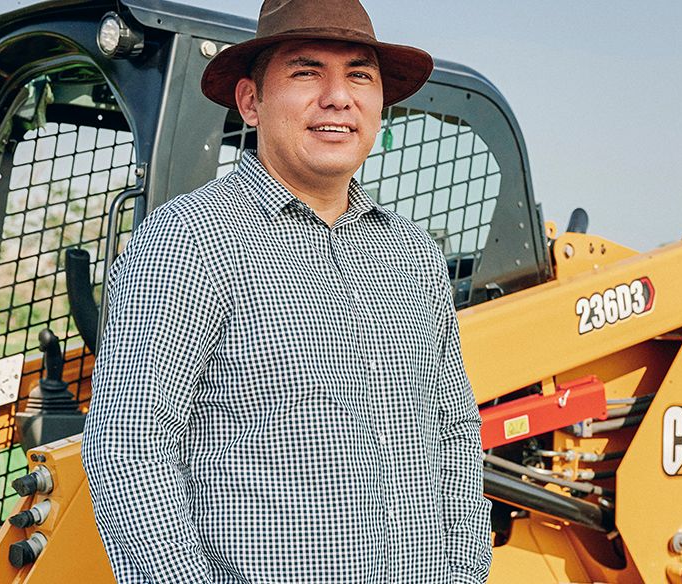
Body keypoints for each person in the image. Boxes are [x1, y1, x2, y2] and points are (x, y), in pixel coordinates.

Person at [81, 0, 491, 582]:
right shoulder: (190, 240)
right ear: (251, 101)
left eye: (359, 76)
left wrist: (465, 569)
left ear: (380, 103)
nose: (338, 97)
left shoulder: (413, 254)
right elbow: (129, 448)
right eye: (306, 72)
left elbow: (453, 430)